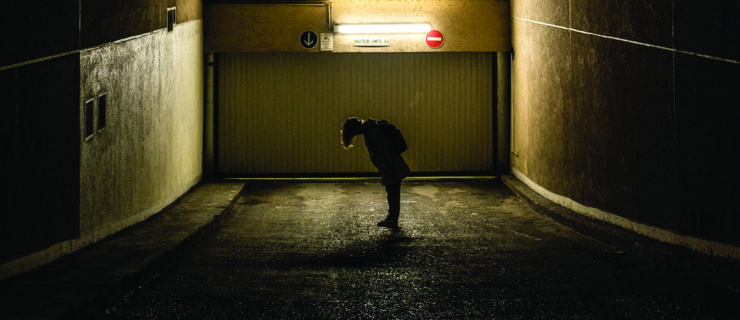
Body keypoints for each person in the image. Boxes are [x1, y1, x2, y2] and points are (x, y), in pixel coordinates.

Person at [341, 117, 411, 228]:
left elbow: (384, 151)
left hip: (391, 166)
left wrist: (387, 168)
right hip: (391, 165)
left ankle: (392, 219)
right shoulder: (370, 130)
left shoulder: (372, 132)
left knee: (392, 193)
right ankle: (392, 218)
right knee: (392, 192)